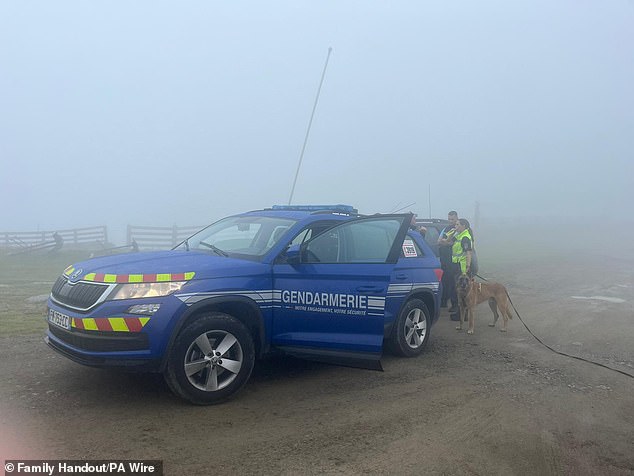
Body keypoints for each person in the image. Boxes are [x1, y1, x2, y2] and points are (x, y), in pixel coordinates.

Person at [448, 218, 475, 320]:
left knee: (464, 292)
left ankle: (462, 315)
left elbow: (468, 252)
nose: (455, 226)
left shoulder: (465, 237)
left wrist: (467, 267)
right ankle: (462, 314)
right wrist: (452, 233)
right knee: (460, 291)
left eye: (458, 225)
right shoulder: (459, 235)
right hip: (458, 266)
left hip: (463, 269)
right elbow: (448, 241)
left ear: (464, 226)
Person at [437, 211, 458, 309]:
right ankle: (443, 301)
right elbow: (439, 241)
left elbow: (452, 243)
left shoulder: (459, 229)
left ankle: (455, 305)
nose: (450, 221)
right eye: (449, 219)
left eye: (452, 219)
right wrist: (445, 242)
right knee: (444, 281)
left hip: (454, 261)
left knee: (453, 283)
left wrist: (445, 242)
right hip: (444, 260)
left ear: (457, 218)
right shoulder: (446, 228)